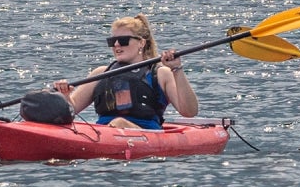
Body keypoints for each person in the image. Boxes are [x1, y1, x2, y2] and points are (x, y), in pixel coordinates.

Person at [51, 14, 199, 129]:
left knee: (120, 122)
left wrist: (176, 69)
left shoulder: (160, 73)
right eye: (112, 41)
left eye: (123, 40)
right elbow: (71, 109)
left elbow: (189, 111)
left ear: (141, 43)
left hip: (144, 134)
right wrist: (65, 96)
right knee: (117, 123)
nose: (116, 45)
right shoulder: (101, 73)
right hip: (105, 131)